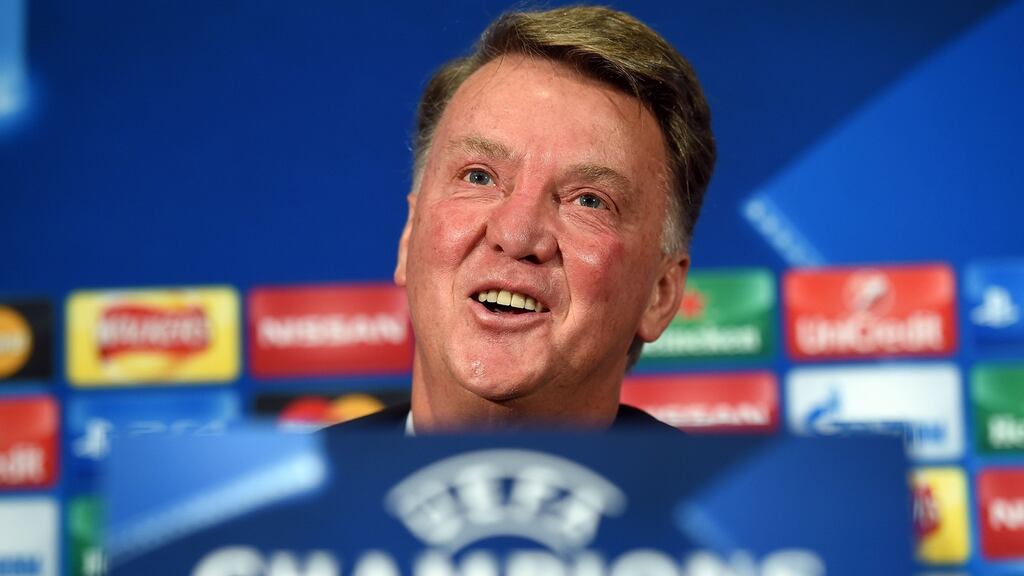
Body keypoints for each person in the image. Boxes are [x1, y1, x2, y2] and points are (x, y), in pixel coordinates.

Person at [342, 5, 715, 433]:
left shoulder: (732, 501)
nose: (516, 235)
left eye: (589, 201)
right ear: (409, 237)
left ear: (660, 294)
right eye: (479, 176)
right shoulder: (270, 497)